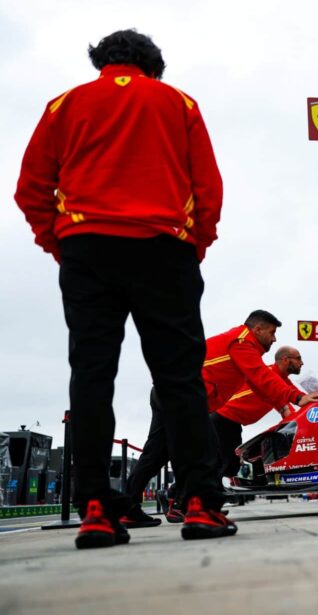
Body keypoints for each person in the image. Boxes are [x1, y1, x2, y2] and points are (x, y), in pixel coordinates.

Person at [14, 29, 230, 548]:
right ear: (154, 67)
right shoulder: (177, 102)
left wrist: (60, 242)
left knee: (91, 374)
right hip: (163, 247)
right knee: (179, 377)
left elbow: (31, 189)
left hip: (87, 247)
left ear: (101, 63)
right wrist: (193, 244)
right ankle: (199, 501)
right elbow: (208, 188)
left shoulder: (64, 104)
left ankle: (94, 506)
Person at [124, 310, 318, 523]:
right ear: (257, 329)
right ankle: (197, 509)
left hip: (170, 391)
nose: (274, 339)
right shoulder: (242, 342)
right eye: (272, 333)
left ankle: (129, 509)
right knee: (210, 453)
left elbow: (260, 384)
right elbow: (261, 376)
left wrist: (293, 402)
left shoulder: (241, 345)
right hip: (182, 395)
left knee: (156, 454)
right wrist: (297, 397)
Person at [211, 346, 307, 479]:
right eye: (298, 358)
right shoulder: (269, 375)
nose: (301, 363)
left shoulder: (282, 381)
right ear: (285, 360)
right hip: (222, 418)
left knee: (229, 465)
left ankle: (187, 493)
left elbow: (289, 407)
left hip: (230, 422)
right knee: (223, 464)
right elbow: (290, 401)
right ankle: (185, 494)